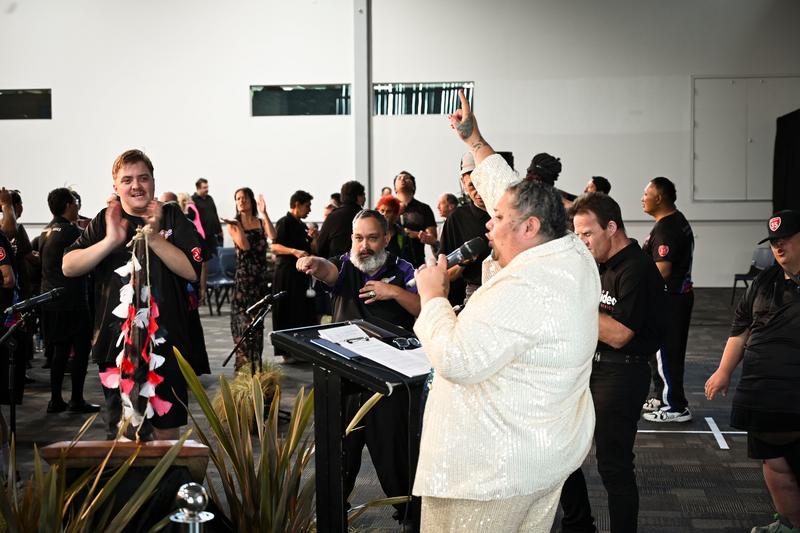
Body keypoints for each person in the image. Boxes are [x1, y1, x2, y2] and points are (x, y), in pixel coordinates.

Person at [411, 90, 599, 531]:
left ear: (529, 228)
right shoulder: (569, 251)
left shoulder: (524, 284)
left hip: (491, 472)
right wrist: (474, 140)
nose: (488, 224)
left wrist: (434, 297)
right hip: (537, 456)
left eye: (495, 219)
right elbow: (510, 191)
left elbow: (458, 359)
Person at [63, 149, 203, 441]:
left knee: (166, 435)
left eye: (143, 177)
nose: (136, 185)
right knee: (124, 435)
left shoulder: (172, 216)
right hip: (117, 348)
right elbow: (69, 266)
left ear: (153, 181)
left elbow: (192, 270)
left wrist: (152, 237)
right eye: (127, 180)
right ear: (116, 186)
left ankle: (165, 487)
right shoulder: (106, 219)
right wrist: (110, 240)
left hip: (166, 347)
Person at [297, 209, 422, 527]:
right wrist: (314, 263)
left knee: (396, 461)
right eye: (358, 238)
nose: (363, 245)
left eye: (371, 238)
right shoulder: (344, 264)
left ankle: (410, 518)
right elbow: (327, 271)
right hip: (344, 382)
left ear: (387, 238)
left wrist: (392, 291)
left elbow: (424, 306)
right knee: (339, 459)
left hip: (390, 385)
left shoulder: (403, 268)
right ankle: (331, 516)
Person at [560, 192, 666, 533]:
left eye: (587, 234)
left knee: (613, 465)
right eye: (577, 235)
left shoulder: (637, 267)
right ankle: (578, 524)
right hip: (593, 367)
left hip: (623, 372)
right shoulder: (600, 264)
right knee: (562, 452)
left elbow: (620, 334)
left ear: (611, 227)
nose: (582, 242)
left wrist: (572, 306)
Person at [705, 210, 800, 533]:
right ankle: (788, 523)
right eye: (774, 241)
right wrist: (723, 372)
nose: (778, 246)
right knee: (773, 461)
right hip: (760, 393)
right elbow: (740, 330)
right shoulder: (764, 281)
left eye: (785, 239)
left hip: (794, 391)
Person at [39, 188, 100, 414]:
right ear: (67, 205)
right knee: (81, 350)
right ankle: (76, 398)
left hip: (51, 299)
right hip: (72, 301)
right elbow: (88, 258)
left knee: (59, 352)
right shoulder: (70, 232)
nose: (78, 206)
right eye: (75, 202)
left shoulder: (47, 231)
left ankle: (55, 399)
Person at [641, 176, 695, 423]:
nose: (642, 198)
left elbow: (662, 270)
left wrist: (637, 287)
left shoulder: (667, 228)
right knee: (662, 352)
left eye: (646, 193)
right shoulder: (673, 220)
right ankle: (663, 397)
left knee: (667, 353)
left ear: (659, 197)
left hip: (671, 301)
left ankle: (676, 406)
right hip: (676, 299)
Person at [224, 188, 277, 370]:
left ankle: (256, 372)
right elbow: (245, 246)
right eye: (238, 198)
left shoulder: (260, 222)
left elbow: (273, 236)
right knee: (243, 325)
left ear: (251, 200)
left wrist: (265, 213)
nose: (241, 201)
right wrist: (238, 226)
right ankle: (243, 371)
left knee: (258, 326)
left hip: (259, 280)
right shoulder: (234, 224)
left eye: (244, 198)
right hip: (244, 280)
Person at [270, 190, 317, 361]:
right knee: (286, 311)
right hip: (286, 275)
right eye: (307, 206)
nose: (310, 209)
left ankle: (299, 349)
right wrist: (294, 251)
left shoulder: (301, 225)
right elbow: (274, 247)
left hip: (299, 276)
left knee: (299, 312)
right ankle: (286, 351)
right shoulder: (284, 223)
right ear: (297, 204)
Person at [440, 152, 491, 306]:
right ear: (463, 182)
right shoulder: (456, 219)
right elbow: (444, 273)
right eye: (472, 186)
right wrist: (463, 263)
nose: (479, 192)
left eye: (483, 184)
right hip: (476, 294)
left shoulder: (510, 212)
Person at [394, 171, 437, 267]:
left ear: (413, 186)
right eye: (399, 178)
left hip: (416, 263)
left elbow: (433, 237)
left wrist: (416, 234)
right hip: (391, 263)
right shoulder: (386, 208)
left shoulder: (424, 208)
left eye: (407, 178)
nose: (403, 179)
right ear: (395, 188)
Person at [315, 180, 366, 259]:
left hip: (336, 265)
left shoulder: (332, 216)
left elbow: (320, 247)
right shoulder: (365, 217)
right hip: (361, 264)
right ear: (359, 197)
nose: (365, 198)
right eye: (363, 194)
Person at [375, 195, 413, 263]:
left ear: (395, 214)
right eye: (382, 210)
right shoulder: (372, 234)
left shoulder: (402, 235)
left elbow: (409, 261)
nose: (384, 214)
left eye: (388, 211)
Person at [192, 177, 224, 249]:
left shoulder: (210, 198)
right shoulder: (192, 200)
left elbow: (215, 214)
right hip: (202, 235)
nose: (207, 190)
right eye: (204, 187)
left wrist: (220, 230)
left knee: (217, 255)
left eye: (207, 187)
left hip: (214, 234)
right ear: (198, 188)